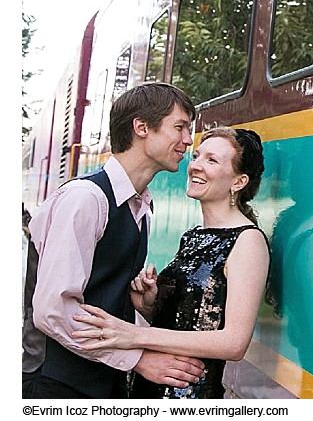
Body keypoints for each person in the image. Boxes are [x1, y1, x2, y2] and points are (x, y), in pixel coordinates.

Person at [24, 82, 206, 399]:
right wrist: (138, 359)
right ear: (141, 127)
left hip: (99, 383)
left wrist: (139, 305)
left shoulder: (139, 207)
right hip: (54, 384)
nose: (187, 141)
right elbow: (52, 311)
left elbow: (102, 296)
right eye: (179, 127)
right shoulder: (86, 199)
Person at [73, 126, 270, 399]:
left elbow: (233, 342)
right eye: (197, 156)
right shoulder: (193, 236)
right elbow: (193, 323)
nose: (196, 166)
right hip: (152, 385)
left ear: (239, 182)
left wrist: (133, 335)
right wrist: (151, 306)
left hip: (189, 396)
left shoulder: (248, 241)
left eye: (211, 160)